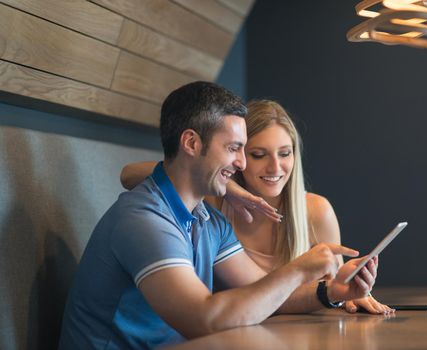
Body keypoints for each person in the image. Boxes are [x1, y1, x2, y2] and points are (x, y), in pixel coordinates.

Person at [59, 82, 378, 349]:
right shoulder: (145, 220)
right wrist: (297, 269)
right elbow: (203, 319)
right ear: (191, 143)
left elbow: (267, 295)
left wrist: (332, 292)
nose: (241, 163)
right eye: (234, 149)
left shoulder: (206, 220)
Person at [121, 99, 392, 315]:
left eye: (285, 153)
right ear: (237, 155)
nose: (275, 168)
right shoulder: (213, 204)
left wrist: (346, 291)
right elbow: (129, 175)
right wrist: (228, 188)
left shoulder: (316, 211)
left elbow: (278, 293)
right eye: (258, 155)